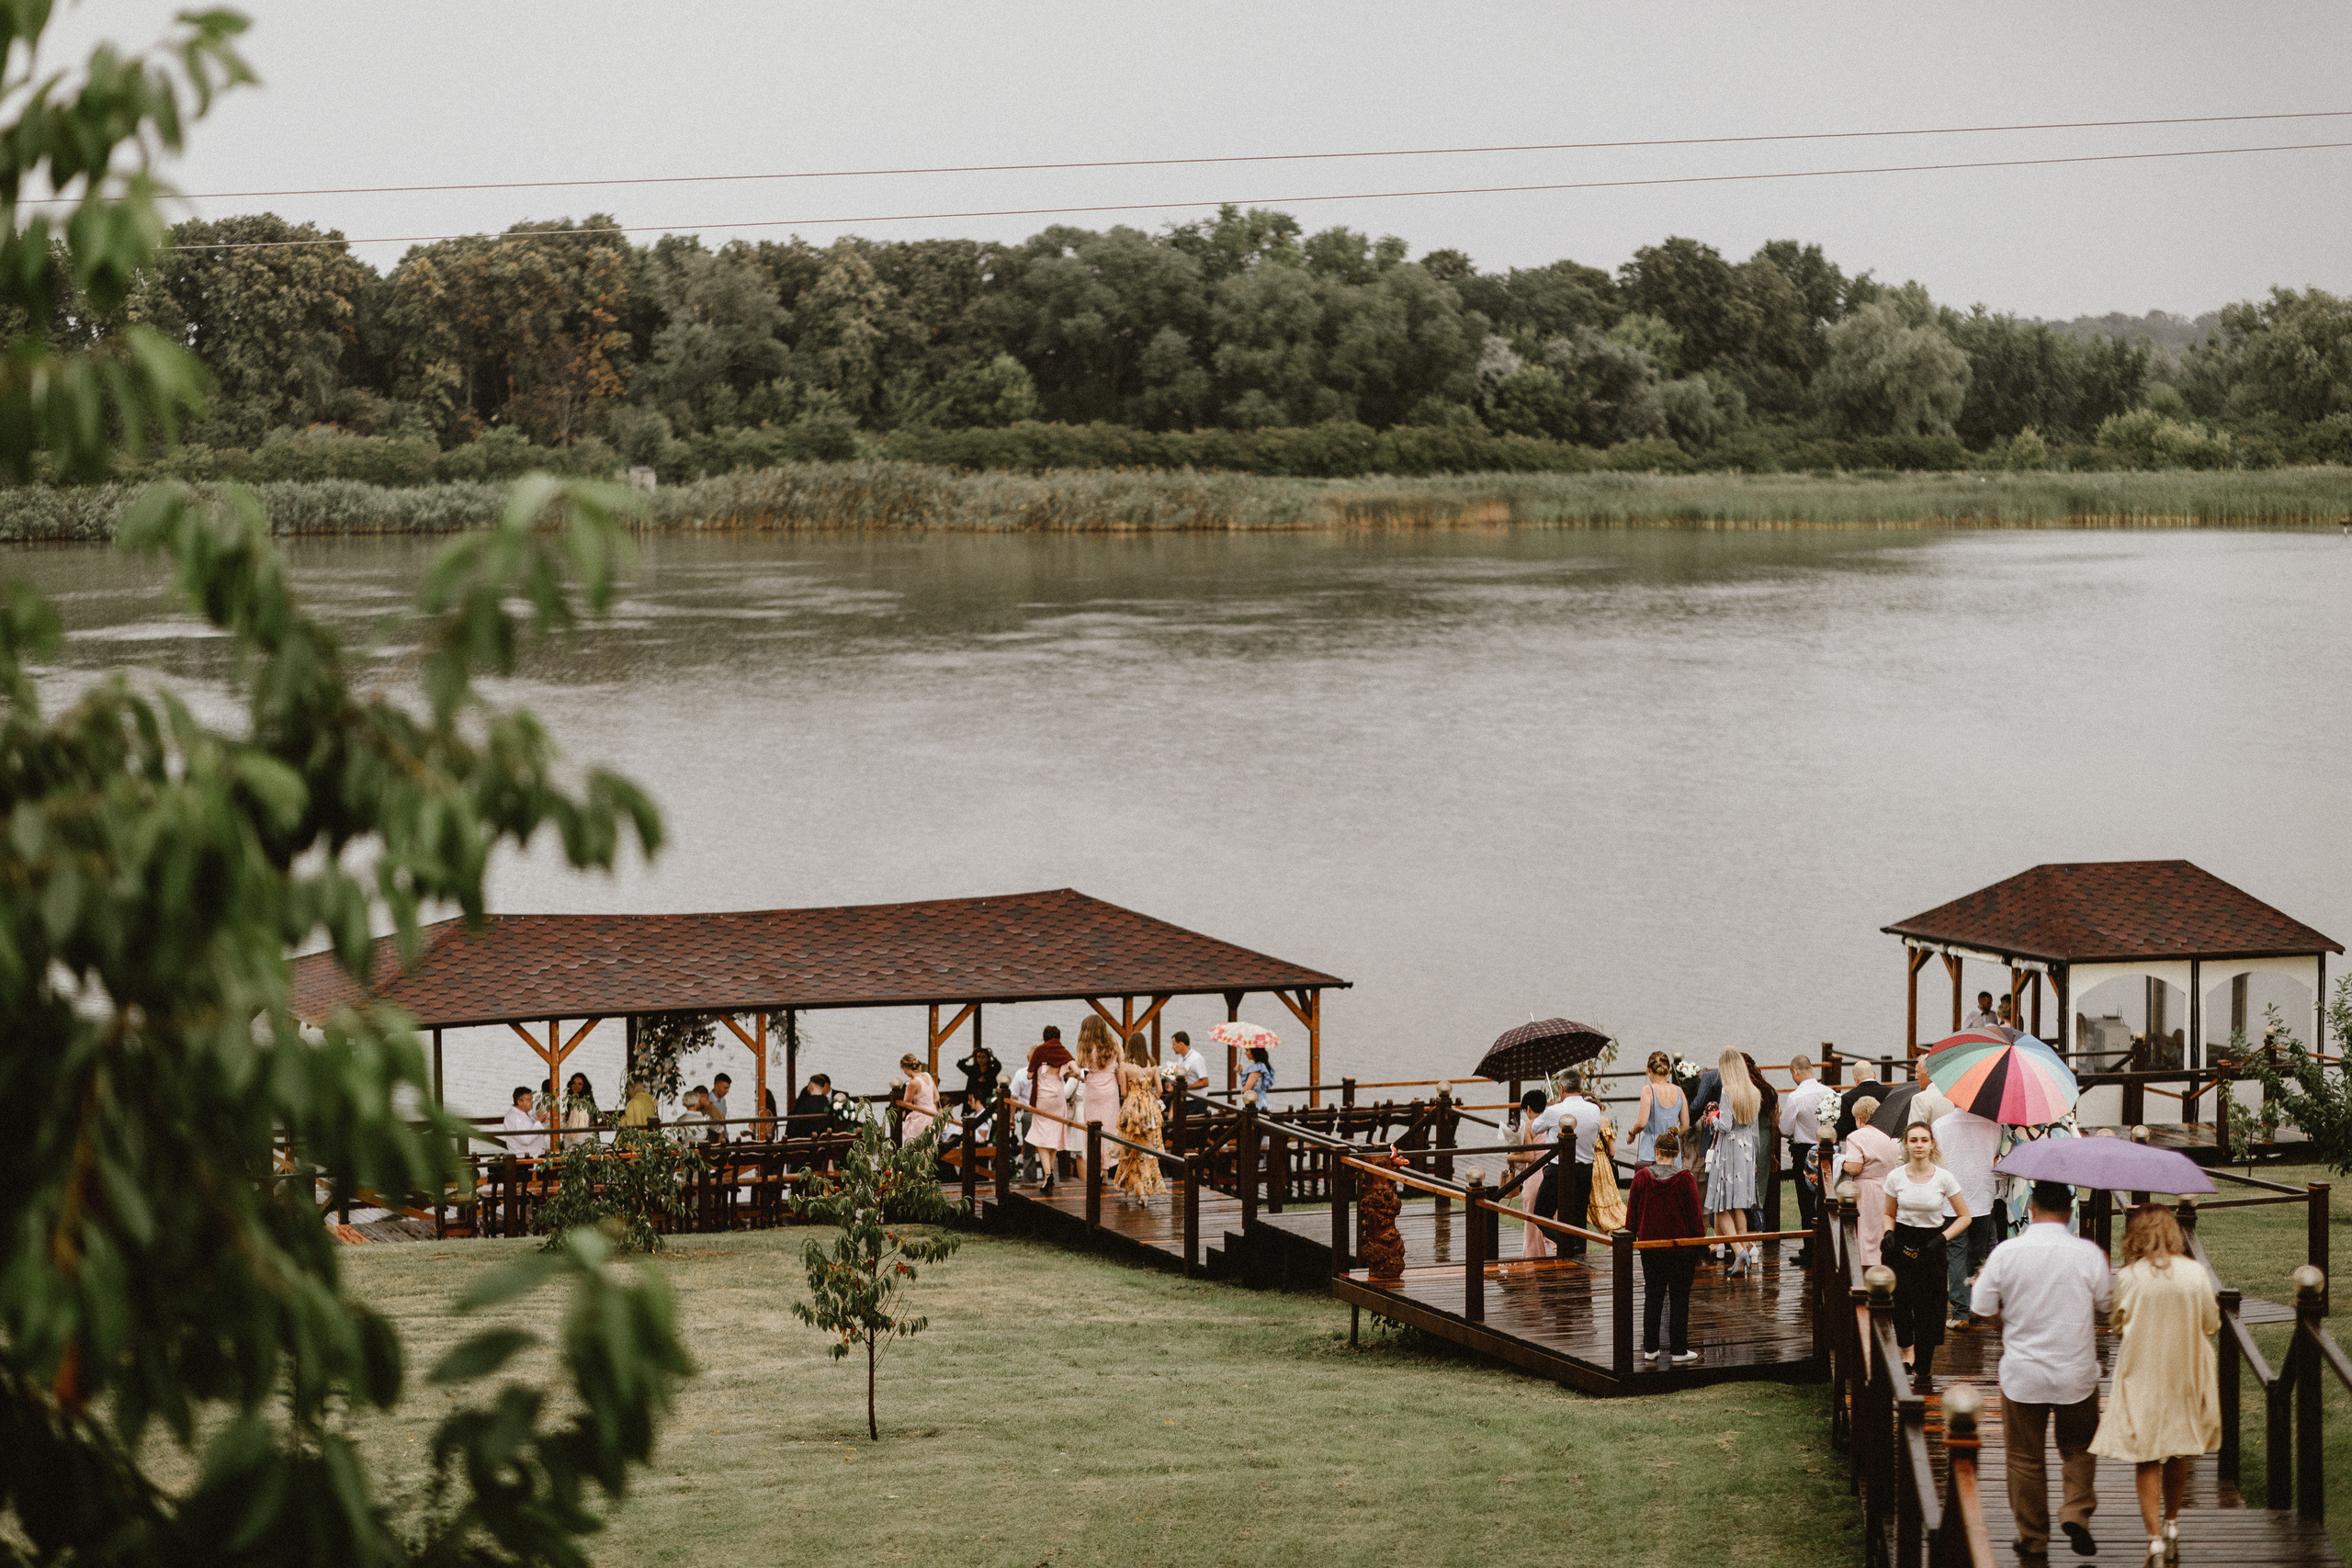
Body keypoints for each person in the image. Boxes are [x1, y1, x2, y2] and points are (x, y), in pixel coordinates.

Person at [1972, 1179, 2113, 1564]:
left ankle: (2033, 1539)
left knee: (2024, 1458)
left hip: (2023, 1372)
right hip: (2076, 1371)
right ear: (2069, 1213)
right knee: (2080, 1447)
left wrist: (2006, 1321)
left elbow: (1981, 1305)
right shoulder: (2088, 1254)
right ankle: (2075, 1512)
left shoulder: (2006, 1252)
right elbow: (2105, 1304)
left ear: (2031, 1208)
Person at [2089, 1205, 2221, 1568]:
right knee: (2179, 1447)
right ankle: (2173, 1523)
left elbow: (2117, 1322)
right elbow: (2211, 1323)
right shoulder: (2194, 1273)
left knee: (2146, 1455)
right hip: (2185, 1370)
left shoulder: (2130, 1276)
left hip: (2142, 1371)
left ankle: (2153, 1540)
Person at [1882, 1122, 1970, 1393]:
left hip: (1932, 1243)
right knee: (1899, 1301)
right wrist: (1888, 1233)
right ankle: (1906, 1348)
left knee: (1929, 1306)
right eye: (1913, 1140)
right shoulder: (1895, 1177)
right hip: (1902, 1243)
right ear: (1905, 1145)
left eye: (1924, 1140)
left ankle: (1924, 1362)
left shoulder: (1944, 1178)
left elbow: (1964, 1216)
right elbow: (1889, 1213)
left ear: (1932, 1144)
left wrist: (1942, 1238)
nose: (1918, 1145)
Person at [1628, 1128, 1703, 1365]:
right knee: (1680, 1298)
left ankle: (1650, 1348)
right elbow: (1695, 1218)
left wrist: (1630, 1236)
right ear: (1677, 1153)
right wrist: (1700, 1244)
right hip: (1681, 1249)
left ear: (1657, 1151)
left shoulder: (1641, 1178)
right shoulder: (1685, 1179)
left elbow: (1631, 1214)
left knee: (1653, 1295)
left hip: (1651, 1247)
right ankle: (1679, 1349)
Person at [1932, 1103, 2003, 1329]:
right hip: (1983, 1194)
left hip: (1953, 1198)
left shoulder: (1940, 1125)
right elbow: (1995, 1158)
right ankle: (1975, 1305)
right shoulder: (1994, 1125)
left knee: (1956, 1254)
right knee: (1977, 1253)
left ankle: (1960, 1311)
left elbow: (1936, 1161)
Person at [1702, 1048, 1763, 1276]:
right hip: (1747, 1148)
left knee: (1720, 1205)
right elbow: (1754, 1132)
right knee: (1739, 1204)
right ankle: (1744, 1249)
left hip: (1729, 1148)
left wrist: (1711, 1119)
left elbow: (1726, 1125)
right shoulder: (1753, 1091)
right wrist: (1754, 1158)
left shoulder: (1728, 1091)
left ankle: (1739, 1251)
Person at [1779, 1055, 1834, 1257]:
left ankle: (1810, 1249)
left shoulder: (1795, 1097)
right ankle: (1827, 1247)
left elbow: (1784, 1128)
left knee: (1806, 1201)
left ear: (1795, 1071)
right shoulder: (1830, 1092)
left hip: (1804, 1152)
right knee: (1826, 1198)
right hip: (1827, 1149)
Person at [1841, 1097, 1903, 1268]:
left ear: (1859, 1118)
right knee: (1885, 1227)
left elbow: (1854, 1167)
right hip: (1891, 1187)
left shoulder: (1856, 1136)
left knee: (1867, 1232)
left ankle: (1867, 1267)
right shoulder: (1893, 1134)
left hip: (1867, 1189)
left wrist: (1841, 1162)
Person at [1114, 1032, 1168, 1200]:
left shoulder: (1124, 1066)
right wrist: (1150, 1098)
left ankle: (1127, 1185)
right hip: (1150, 1109)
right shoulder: (1152, 1064)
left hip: (1132, 1110)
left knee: (1129, 1147)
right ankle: (1145, 1189)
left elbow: (1123, 1092)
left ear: (1130, 1046)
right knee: (1148, 1149)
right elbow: (1160, 1089)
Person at [1553, 1072, 1601, 1258]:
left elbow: (1534, 1128)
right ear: (1581, 1089)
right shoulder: (1595, 1110)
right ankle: (1579, 1252)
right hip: (1586, 1167)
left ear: (1561, 1089)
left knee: (1542, 1211)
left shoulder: (1556, 1111)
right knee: (1580, 1214)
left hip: (1560, 1168)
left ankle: (1565, 1244)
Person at [1507, 1089, 1556, 1259]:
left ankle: (1533, 1259)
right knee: (1554, 1221)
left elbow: (1529, 1155)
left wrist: (1510, 1156)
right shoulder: (1553, 1122)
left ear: (1528, 1108)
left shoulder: (1529, 1126)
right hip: (1552, 1174)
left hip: (1535, 1177)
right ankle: (1560, 1252)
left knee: (1532, 1223)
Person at [1024, 1027, 1075, 1193]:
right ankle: (1049, 1176)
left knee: (1040, 1138)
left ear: (1044, 1037)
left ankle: (1047, 1175)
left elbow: (1030, 1075)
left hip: (1043, 1099)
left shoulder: (1039, 1051)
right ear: (1059, 1037)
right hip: (1058, 1098)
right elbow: (1074, 1070)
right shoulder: (1063, 1052)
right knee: (1053, 1136)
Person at [1632, 1051, 1690, 1166]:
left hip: (1651, 1149)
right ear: (1668, 1070)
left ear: (1649, 1070)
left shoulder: (1648, 1091)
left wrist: (1631, 1133)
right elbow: (1685, 1126)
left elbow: (1641, 1123)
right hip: (1672, 1151)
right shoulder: (1679, 1091)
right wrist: (1672, 1137)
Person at [897, 1055, 939, 1145]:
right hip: (932, 1114)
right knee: (929, 1145)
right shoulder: (927, 1075)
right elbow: (936, 1097)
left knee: (916, 1144)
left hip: (921, 1117)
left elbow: (906, 1103)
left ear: (905, 1067)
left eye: (903, 1070)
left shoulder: (913, 1083)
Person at [499, 1085, 548, 1156]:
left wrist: (541, 1122)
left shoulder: (523, 1114)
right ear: (519, 1102)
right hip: (526, 1159)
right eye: (529, 1100)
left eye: (532, 1099)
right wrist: (538, 1122)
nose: (532, 1102)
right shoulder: (515, 1117)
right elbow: (526, 1139)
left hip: (536, 1156)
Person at [956, 1043, 1002, 1107]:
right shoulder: (973, 1070)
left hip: (987, 1102)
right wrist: (971, 1056)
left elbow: (998, 1066)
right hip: (973, 1104)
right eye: (978, 1057)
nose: (980, 1059)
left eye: (983, 1057)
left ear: (987, 1058)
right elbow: (960, 1064)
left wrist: (992, 1056)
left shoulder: (991, 1071)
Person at [1169, 1031, 1211, 1097]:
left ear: (1181, 1045)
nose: (1172, 1047)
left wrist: (1185, 1087)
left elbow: (1205, 1082)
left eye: (1174, 1044)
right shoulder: (1181, 1057)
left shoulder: (1197, 1059)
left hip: (1197, 1099)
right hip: (1186, 1098)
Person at [1238, 1044, 1273, 1111]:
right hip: (1263, 1101)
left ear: (1254, 1052)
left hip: (1256, 1103)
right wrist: (1241, 1072)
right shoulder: (1262, 1067)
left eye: (1247, 1050)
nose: (1245, 1053)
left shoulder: (1255, 1070)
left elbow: (1246, 1090)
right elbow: (1255, 1082)